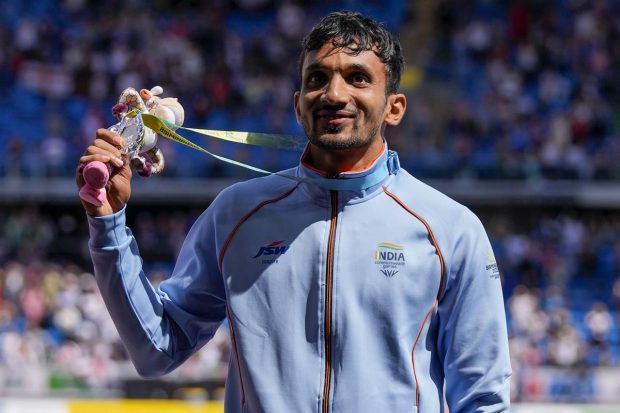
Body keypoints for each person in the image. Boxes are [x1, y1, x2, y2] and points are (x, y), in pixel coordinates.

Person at [78, 11, 511, 413]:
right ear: (298, 103)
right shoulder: (237, 213)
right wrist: (108, 223)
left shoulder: (450, 228)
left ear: (394, 107)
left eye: (358, 78)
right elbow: (157, 350)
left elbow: (483, 399)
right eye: (318, 78)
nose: (334, 94)